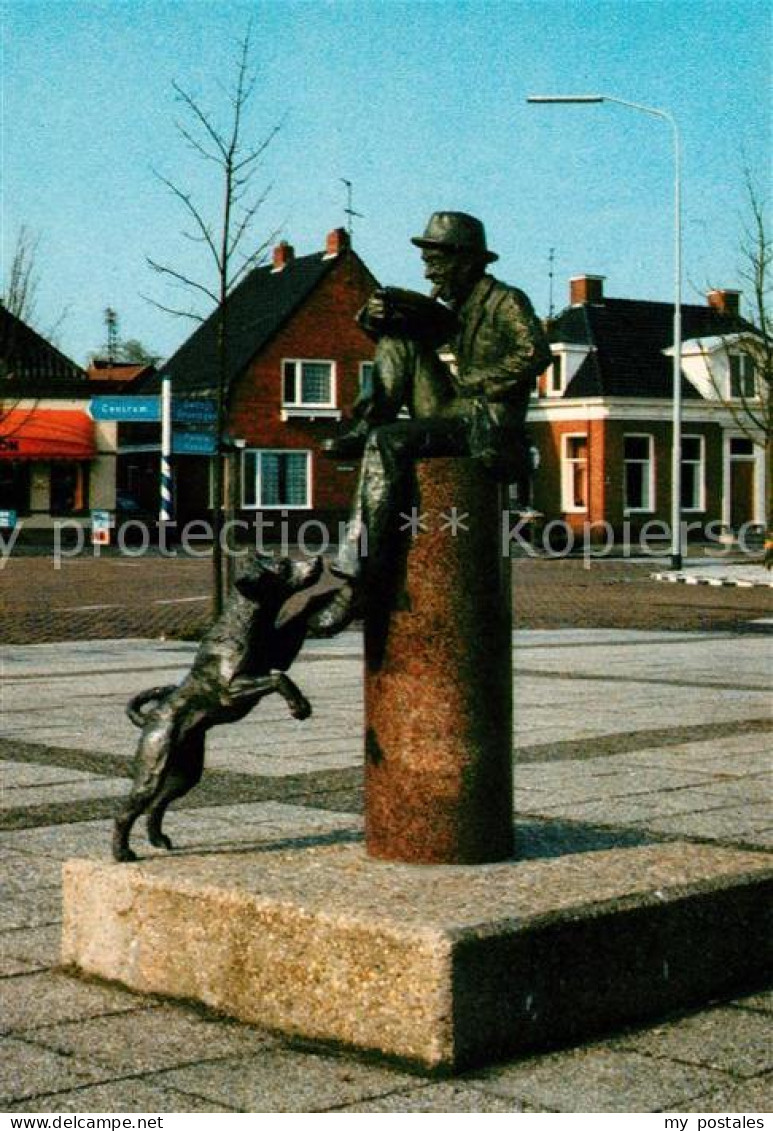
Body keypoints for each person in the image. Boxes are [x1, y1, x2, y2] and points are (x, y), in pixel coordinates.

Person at [310, 211, 551, 636]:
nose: (427, 269)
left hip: (486, 421)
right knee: (398, 338)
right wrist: (373, 313)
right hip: (456, 408)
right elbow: (400, 336)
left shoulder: (504, 300)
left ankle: (359, 581)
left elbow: (534, 354)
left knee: (388, 443)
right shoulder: (452, 307)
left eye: (435, 260)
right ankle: (370, 421)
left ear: (465, 260)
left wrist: (476, 383)